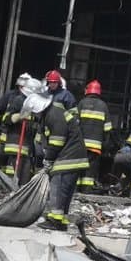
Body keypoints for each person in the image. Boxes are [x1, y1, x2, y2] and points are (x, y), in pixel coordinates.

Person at [41, 90, 90, 230]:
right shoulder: (55, 111)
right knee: (65, 191)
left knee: (58, 186)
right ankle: (60, 220)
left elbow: (57, 141)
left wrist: (49, 159)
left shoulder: (54, 114)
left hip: (69, 157)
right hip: (74, 156)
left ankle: (55, 221)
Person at [71, 81, 112, 194]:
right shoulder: (103, 106)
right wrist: (105, 144)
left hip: (81, 144)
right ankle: (86, 191)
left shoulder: (82, 103)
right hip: (95, 146)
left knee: (78, 166)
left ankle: (75, 191)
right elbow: (108, 128)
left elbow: (74, 123)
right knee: (90, 169)